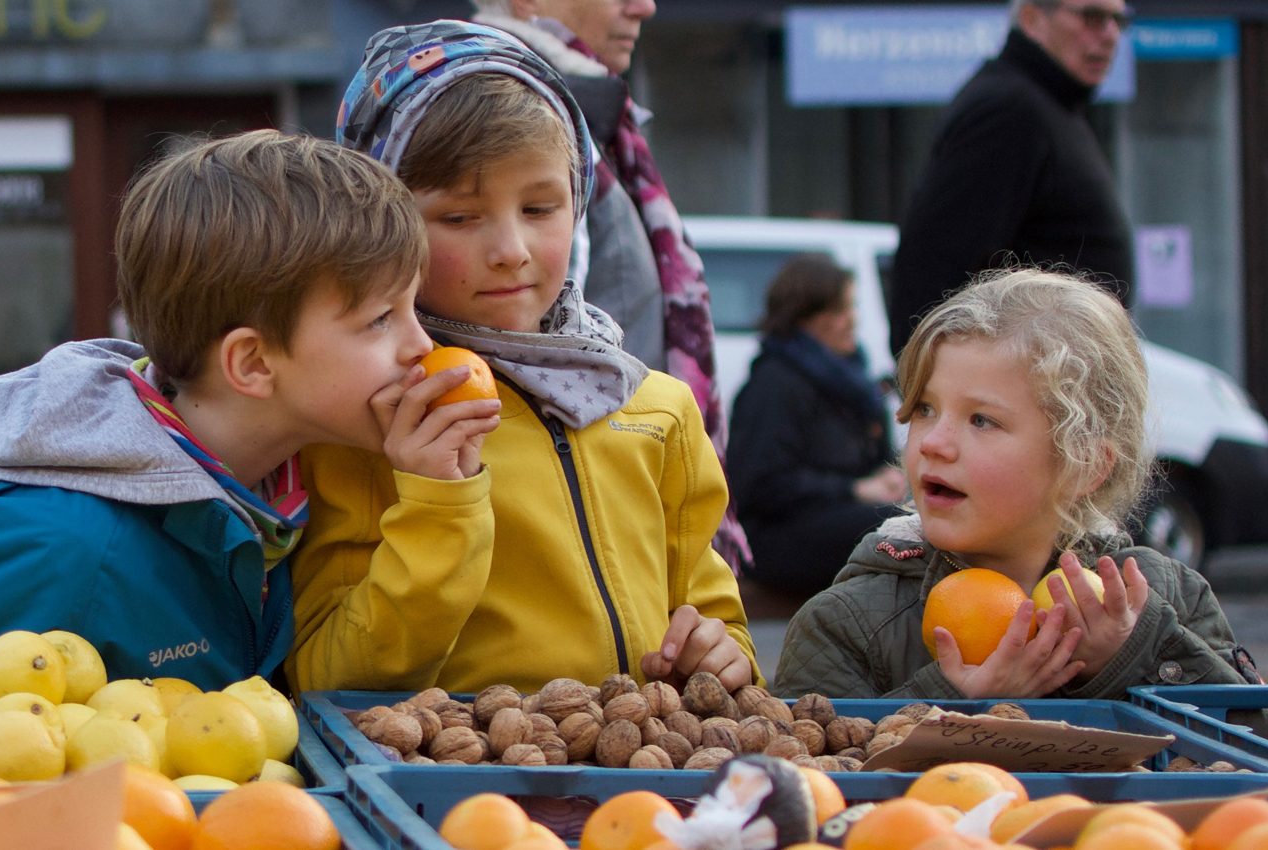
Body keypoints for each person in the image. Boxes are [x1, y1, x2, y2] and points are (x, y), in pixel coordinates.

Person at [0, 131, 502, 689]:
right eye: (381, 319)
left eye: (413, 308)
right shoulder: (63, 547)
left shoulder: (287, 492)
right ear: (252, 364)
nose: (423, 347)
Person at [288, 20, 757, 695]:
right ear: (383, 227)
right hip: (459, 789)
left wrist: (725, 653)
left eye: (541, 207)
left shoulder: (656, 409)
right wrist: (438, 503)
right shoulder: (368, 423)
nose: (511, 249)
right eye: (459, 217)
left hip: (650, 784)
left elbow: (715, 615)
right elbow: (329, 677)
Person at [773, 270, 1268, 714]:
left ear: (1086, 465)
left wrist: (1133, 655)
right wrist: (953, 703)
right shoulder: (845, 624)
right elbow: (804, 790)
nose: (934, 443)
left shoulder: (1163, 595)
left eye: (982, 420)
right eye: (924, 408)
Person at [470, 0, 755, 577]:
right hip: (568, 508)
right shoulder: (492, 110)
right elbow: (532, 342)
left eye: (539, 210)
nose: (643, 5)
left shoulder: (593, 114)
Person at [888, 0, 1135, 355]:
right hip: (1026, 384)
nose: (1110, 35)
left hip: (1058, 379)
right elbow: (936, 272)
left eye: (1118, 21)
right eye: (1092, 18)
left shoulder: (1050, 105)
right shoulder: (1009, 109)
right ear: (1033, 19)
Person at [727, 255, 905, 597]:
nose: (852, 320)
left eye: (851, 308)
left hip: (833, 519)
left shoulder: (849, 378)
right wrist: (854, 490)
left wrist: (887, 479)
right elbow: (760, 484)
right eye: (841, 310)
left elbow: (870, 461)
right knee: (889, 529)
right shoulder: (774, 383)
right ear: (805, 317)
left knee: (911, 521)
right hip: (777, 537)